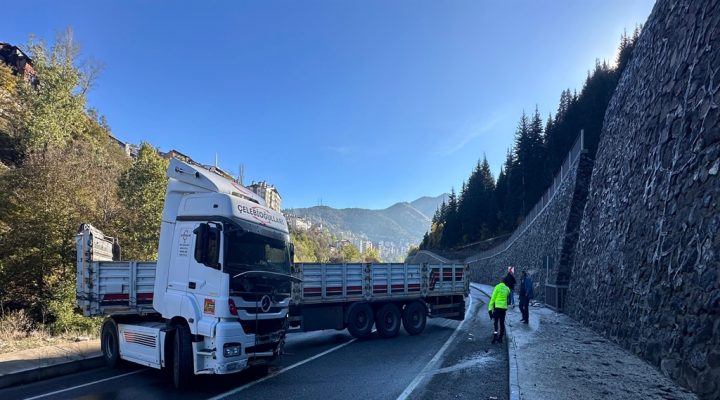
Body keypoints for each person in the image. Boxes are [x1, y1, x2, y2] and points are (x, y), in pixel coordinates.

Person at [488, 275, 512, 344]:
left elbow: (493, 299)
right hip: (503, 309)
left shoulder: (497, 287)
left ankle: (495, 335)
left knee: (496, 322)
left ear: (500, 281)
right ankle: (500, 338)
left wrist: (490, 309)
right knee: (502, 323)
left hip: (497, 308)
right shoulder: (507, 289)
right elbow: (508, 299)